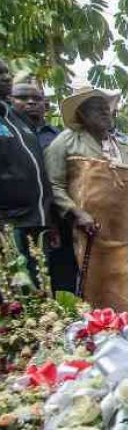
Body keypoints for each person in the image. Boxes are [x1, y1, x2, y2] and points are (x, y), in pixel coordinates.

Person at [45, 86, 128, 311]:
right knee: (95, 292)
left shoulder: (126, 148)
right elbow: (54, 185)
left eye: (106, 107)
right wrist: (77, 213)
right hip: (90, 233)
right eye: (97, 108)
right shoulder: (65, 142)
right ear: (82, 114)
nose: (105, 112)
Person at [9, 80, 77, 293]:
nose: (30, 102)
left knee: (62, 281)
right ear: (9, 100)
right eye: (22, 98)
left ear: (45, 105)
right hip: (17, 221)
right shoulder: (7, 133)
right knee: (23, 281)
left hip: (58, 220)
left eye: (36, 99)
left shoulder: (59, 137)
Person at [0, 61, 54, 285]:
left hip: (37, 220)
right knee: (16, 289)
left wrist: (49, 218)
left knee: (40, 287)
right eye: (0, 73)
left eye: (6, 72)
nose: (6, 77)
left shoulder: (16, 118)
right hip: (9, 222)